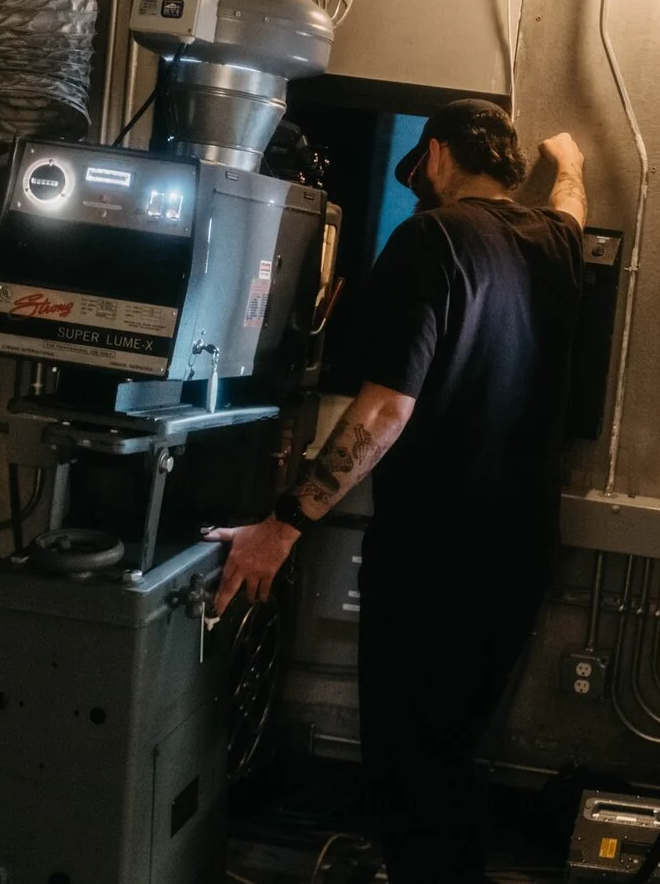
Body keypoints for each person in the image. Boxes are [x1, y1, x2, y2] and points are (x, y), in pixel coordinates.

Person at [210, 99, 588, 883]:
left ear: (438, 154)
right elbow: (572, 203)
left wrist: (282, 526)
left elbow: (385, 410)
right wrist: (570, 157)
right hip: (519, 556)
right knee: (446, 755)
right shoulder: (555, 243)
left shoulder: (430, 239)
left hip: (434, 557)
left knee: (409, 771)